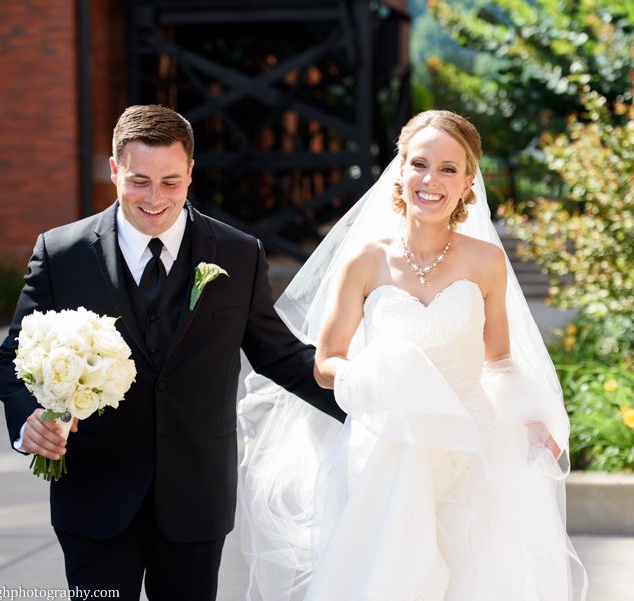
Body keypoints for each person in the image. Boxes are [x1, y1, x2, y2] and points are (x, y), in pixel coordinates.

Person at [0, 104, 344, 601]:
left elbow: (279, 355)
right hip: (93, 498)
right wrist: (29, 421)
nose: (155, 198)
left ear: (190, 173)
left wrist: (365, 401)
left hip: (196, 499)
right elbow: (14, 355)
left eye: (170, 182)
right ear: (115, 170)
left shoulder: (238, 253)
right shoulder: (62, 253)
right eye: (139, 181)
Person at [238, 110, 588, 600]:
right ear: (400, 169)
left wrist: (529, 418)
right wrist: (376, 375)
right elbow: (326, 363)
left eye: (448, 169)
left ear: (468, 182)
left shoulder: (486, 261)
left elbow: (499, 360)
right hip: (390, 443)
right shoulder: (366, 260)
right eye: (420, 164)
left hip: (470, 446)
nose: (431, 180)